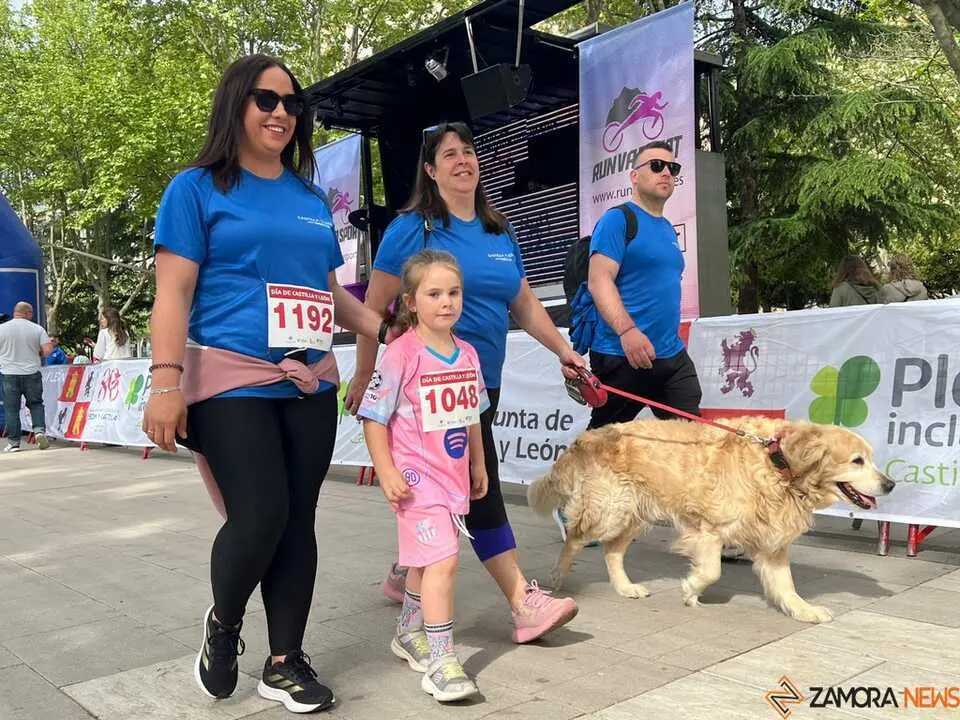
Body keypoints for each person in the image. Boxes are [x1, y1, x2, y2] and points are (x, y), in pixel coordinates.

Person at [143, 54, 388, 714]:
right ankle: (224, 626)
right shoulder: (195, 189)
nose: (281, 111)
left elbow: (326, 290)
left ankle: (285, 662)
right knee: (261, 516)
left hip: (307, 380)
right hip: (230, 376)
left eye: (291, 102)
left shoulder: (310, 199)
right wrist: (165, 384)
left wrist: (386, 326)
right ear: (235, 105)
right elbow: (173, 292)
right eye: (264, 99)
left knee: (297, 521)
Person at [344, 122, 582, 644]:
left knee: (448, 487)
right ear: (430, 170)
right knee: (480, 486)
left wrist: (564, 350)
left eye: (469, 151)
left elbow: (522, 302)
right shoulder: (413, 229)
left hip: (481, 383)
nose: (462, 161)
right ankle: (523, 602)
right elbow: (374, 307)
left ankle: (406, 573)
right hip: (426, 389)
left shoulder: (498, 231)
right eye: (448, 155)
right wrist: (365, 373)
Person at [360, 250, 487, 702]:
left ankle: (407, 631)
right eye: (434, 294)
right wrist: (387, 469)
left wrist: (478, 463)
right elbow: (373, 417)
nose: (446, 302)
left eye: (453, 292)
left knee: (424, 561)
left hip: (453, 478)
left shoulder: (468, 353)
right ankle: (441, 660)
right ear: (412, 302)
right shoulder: (400, 354)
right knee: (444, 561)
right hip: (416, 480)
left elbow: (472, 414)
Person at [0, 302, 53, 452]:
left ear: (15, 312)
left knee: (11, 409)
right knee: (35, 404)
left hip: (9, 374)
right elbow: (48, 349)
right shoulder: (37, 329)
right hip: (32, 373)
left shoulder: (2, 329)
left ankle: (14, 443)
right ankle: (39, 431)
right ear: (28, 313)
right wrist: (39, 354)